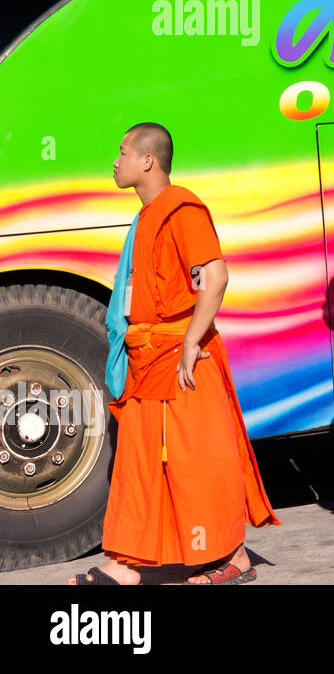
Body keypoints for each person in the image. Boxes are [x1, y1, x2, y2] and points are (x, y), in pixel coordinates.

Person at [69, 123, 278, 585]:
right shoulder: (147, 216)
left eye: (122, 152)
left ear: (147, 160)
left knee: (197, 460)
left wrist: (190, 341)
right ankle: (129, 563)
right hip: (150, 357)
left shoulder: (181, 209)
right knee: (141, 465)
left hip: (182, 358)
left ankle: (233, 556)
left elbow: (214, 277)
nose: (115, 161)